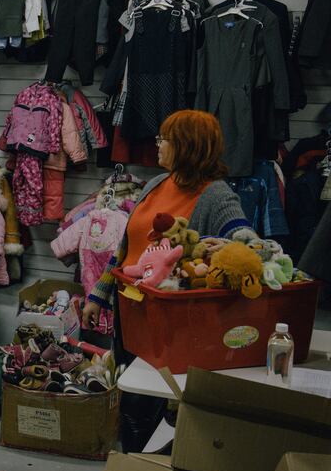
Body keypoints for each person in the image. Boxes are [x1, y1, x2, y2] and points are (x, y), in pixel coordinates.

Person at [82, 110, 254, 349]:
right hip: (129, 308)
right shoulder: (157, 183)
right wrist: (99, 294)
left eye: (163, 139)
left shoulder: (215, 194)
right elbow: (125, 248)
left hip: (172, 322)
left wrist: (223, 247)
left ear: (186, 144)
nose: (158, 144)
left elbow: (248, 243)